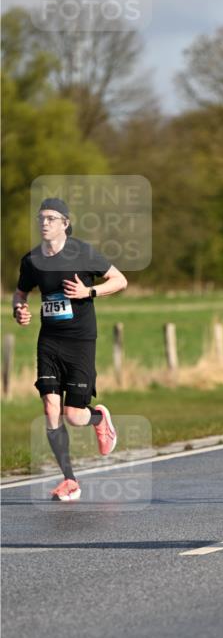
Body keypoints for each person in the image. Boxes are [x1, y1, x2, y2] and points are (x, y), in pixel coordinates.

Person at [12, 197, 128, 501]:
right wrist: (19, 309)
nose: (44, 223)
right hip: (49, 341)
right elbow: (21, 292)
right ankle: (69, 480)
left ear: (65, 223)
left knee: (74, 416)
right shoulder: (32, 260)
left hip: (79, 341)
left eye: (51, 218)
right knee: (50, 408)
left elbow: (119, 280)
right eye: (41, 218)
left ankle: (99, 419)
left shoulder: (82, 252)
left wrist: (89, 291)